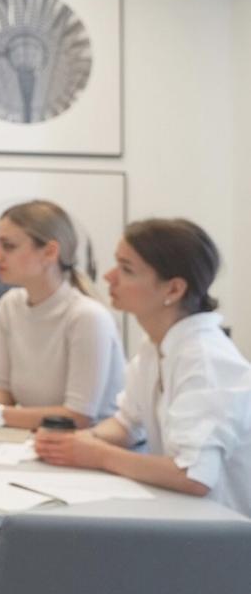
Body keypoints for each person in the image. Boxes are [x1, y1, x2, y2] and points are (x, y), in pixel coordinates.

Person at [0, 200, 126, 587]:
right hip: (39, 454)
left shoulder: (86, 316)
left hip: (88, 463)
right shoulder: (10, 306)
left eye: (8, 245)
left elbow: (78, 416)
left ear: (49, 252)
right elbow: (3, 389)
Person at [36, 219, 251, 517]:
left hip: (227, 537)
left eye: (126, 269)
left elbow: (194, 475)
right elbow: (126, 424)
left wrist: (98, 454)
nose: (110, 277)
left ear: (174, 289)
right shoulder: (155, 347)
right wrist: (79, 442)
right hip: (189, 520)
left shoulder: (205, 359)